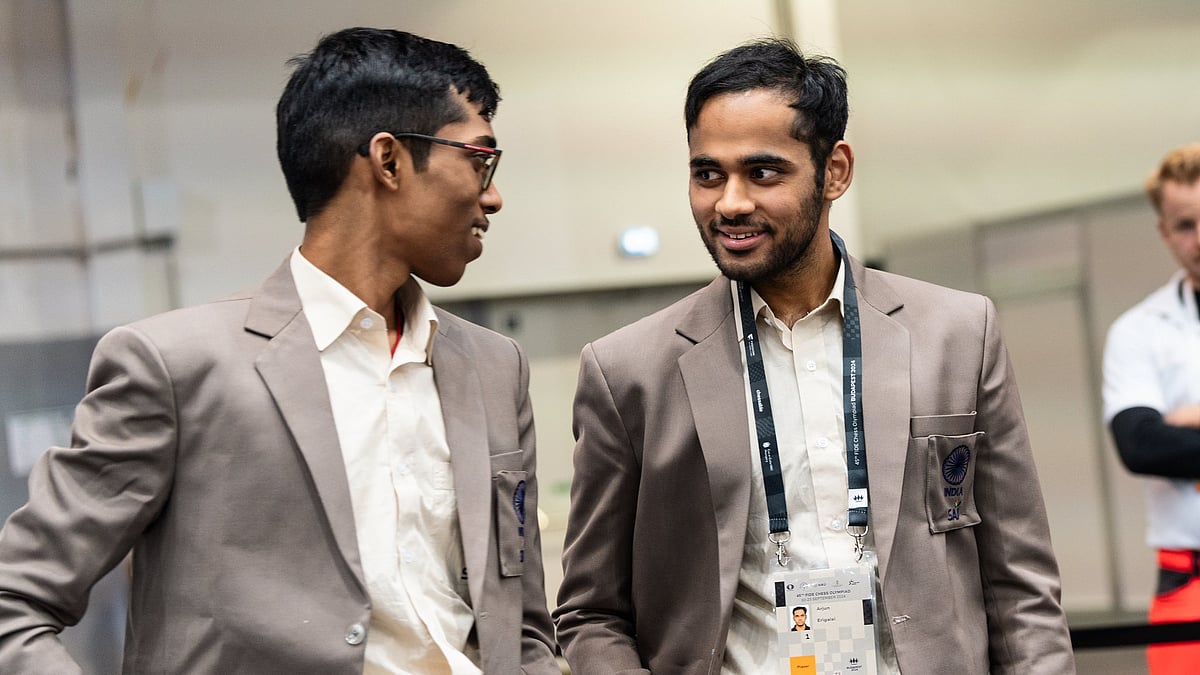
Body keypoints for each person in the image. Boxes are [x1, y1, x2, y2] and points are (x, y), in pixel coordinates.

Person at [0, 27, 559, 674]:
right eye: (479, 160)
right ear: (389, 161)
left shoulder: (494, 367)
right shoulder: (178, 366)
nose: (492, 195)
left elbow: (521, 627)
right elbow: (15, 602)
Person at [554, 38, 1074, 675]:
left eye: (763, 172)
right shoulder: (629, 372)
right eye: (707, 173)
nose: (730, 203)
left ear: (835, 170)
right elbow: (591, 613)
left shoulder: (958, 334)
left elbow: (1021, 584)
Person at [1102, 143, 1200, 675]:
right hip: (1189, 582)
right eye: (1185, 225)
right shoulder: (1138, 332)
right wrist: (1166, 435)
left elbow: (1169, 441)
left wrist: (1188, 420)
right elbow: (1141, 445)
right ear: (1164, 231)